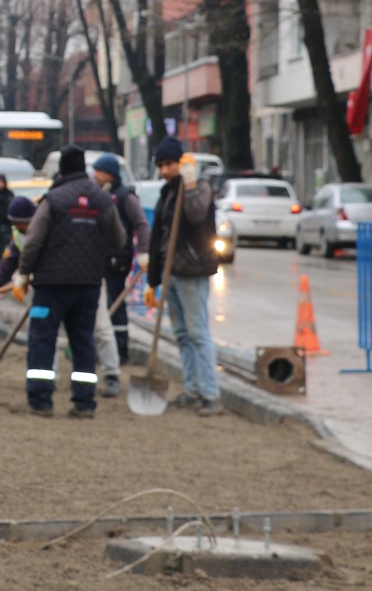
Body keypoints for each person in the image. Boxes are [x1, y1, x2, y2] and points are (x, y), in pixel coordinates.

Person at [13, 146, 125, 418]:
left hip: (51, 285)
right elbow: (119, 240)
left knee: (43, 340)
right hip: (88, 285)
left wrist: (23, 272)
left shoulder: (53, 199)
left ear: (61, 169)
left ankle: (41, 400)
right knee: (83, 342)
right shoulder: (102, 199)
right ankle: (84, 402)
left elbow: (34, 241)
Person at [146, 137, 223, 416]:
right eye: (161, 165)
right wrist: (152, 279)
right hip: (172, 272)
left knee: (197, 332)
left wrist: (189, 184)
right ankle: (192, 390)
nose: (165, 170)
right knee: (181, 334)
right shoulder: (167, 193)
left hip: (192, 270)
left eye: (169, 164)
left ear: (181, 163)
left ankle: (211, 394)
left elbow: (195, 216)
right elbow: (159, 237)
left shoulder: (199, 188)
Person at [92, 153, 150, 380]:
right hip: (99, 258)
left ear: (109, 174)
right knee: (100, 306)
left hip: (118, 258)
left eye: (98, 171)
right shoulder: (99, 194)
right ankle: (105, 350)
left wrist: (143, 253)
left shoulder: (125, 197)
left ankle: (121, 350)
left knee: (116, 303)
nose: (94, 175)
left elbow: (141, 224)